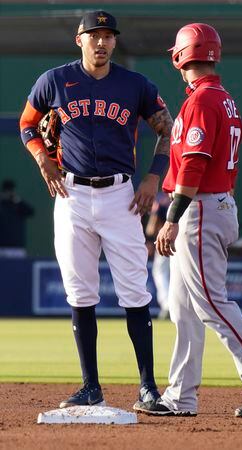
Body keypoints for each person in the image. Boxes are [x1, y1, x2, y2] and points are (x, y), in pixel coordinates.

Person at [19, 10, 173, 410]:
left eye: (107, 35)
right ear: (80, 40)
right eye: (94, 35)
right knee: (80, 292)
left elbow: (167, 131)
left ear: (115, 42)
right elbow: (26, 124)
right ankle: (91, 385)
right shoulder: (54, 80)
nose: (101, 42)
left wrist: (154, 178)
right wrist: (42, 159)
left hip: (121, 195)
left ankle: (148, 388)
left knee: (134, 292)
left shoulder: (135, 84)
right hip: (70, 195)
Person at [134, 23, 242, 418]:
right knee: (185, 309)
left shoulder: (201, 101)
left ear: (181, 55)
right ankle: (181, 396)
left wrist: (171, 219)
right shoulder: (223, 98)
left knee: (211, 304)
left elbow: (195, 165)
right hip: (213, 204)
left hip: (199, 208)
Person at [146, 192, 170, 319]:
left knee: (160, 272)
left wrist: (149, 240)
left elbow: (151, 227)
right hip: (185, 240)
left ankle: (167, 306)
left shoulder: (160, 201)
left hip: (167, 241)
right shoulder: (187, 194)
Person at [0, 179, 34, 257]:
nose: (8, 193)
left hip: (17, 247)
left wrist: (18, 200)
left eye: (10, 191)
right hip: (1, 247)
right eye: (6, 191)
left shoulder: (18, 204)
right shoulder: (1, 204)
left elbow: (31, 212)